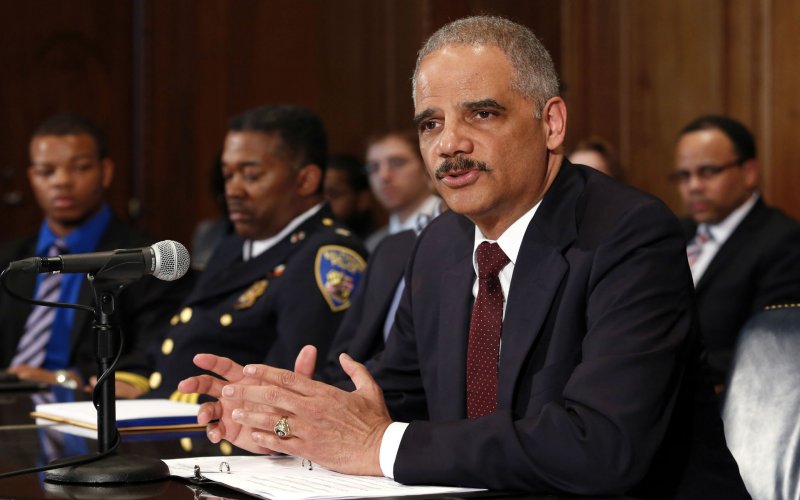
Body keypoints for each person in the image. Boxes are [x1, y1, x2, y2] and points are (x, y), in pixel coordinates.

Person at [178, 17, 749, 497]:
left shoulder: (628, 234)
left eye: (481, 114)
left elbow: (600, 445)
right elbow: (388, 400)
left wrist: (377, 444)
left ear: (550, 123)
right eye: (431, 123)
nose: (449, 143)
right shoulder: (440, 245)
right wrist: (285, 416)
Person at [114, 104, 367, 401]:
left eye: (250, 176)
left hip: (228, 430)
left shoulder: (327, 256)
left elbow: (291, 381)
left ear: (305, 180)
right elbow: (183, 331)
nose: (232, 190)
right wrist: (135, 378)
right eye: (228, 175)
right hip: (168, 413)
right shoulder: (234, 245)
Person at [0, 114, 189, 388]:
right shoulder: (10, 260)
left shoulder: (147, 259)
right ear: (32, 177)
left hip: (85, 402)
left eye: (80, 168)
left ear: (106, 171)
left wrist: (66, 379)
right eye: (46, 172)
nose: (62, 181)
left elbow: (151, 352)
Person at [673, 115, 800, 390]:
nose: (693, 186)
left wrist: (669, 371)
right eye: (684, 175)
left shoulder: (783, 241)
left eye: (707, 172)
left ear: (749, 172)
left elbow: (770, 346)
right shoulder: (672, 234)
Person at [363, 129, 441, 251]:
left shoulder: (458, 227)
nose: (383, 176)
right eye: (373, 167)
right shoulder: (373, 245)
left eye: (397, 163)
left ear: (426, 166)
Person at [323, 153, 376, 241]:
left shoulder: (375, 245)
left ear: (362, 200)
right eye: (320, 195)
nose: (324, 203)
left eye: (334, 194)